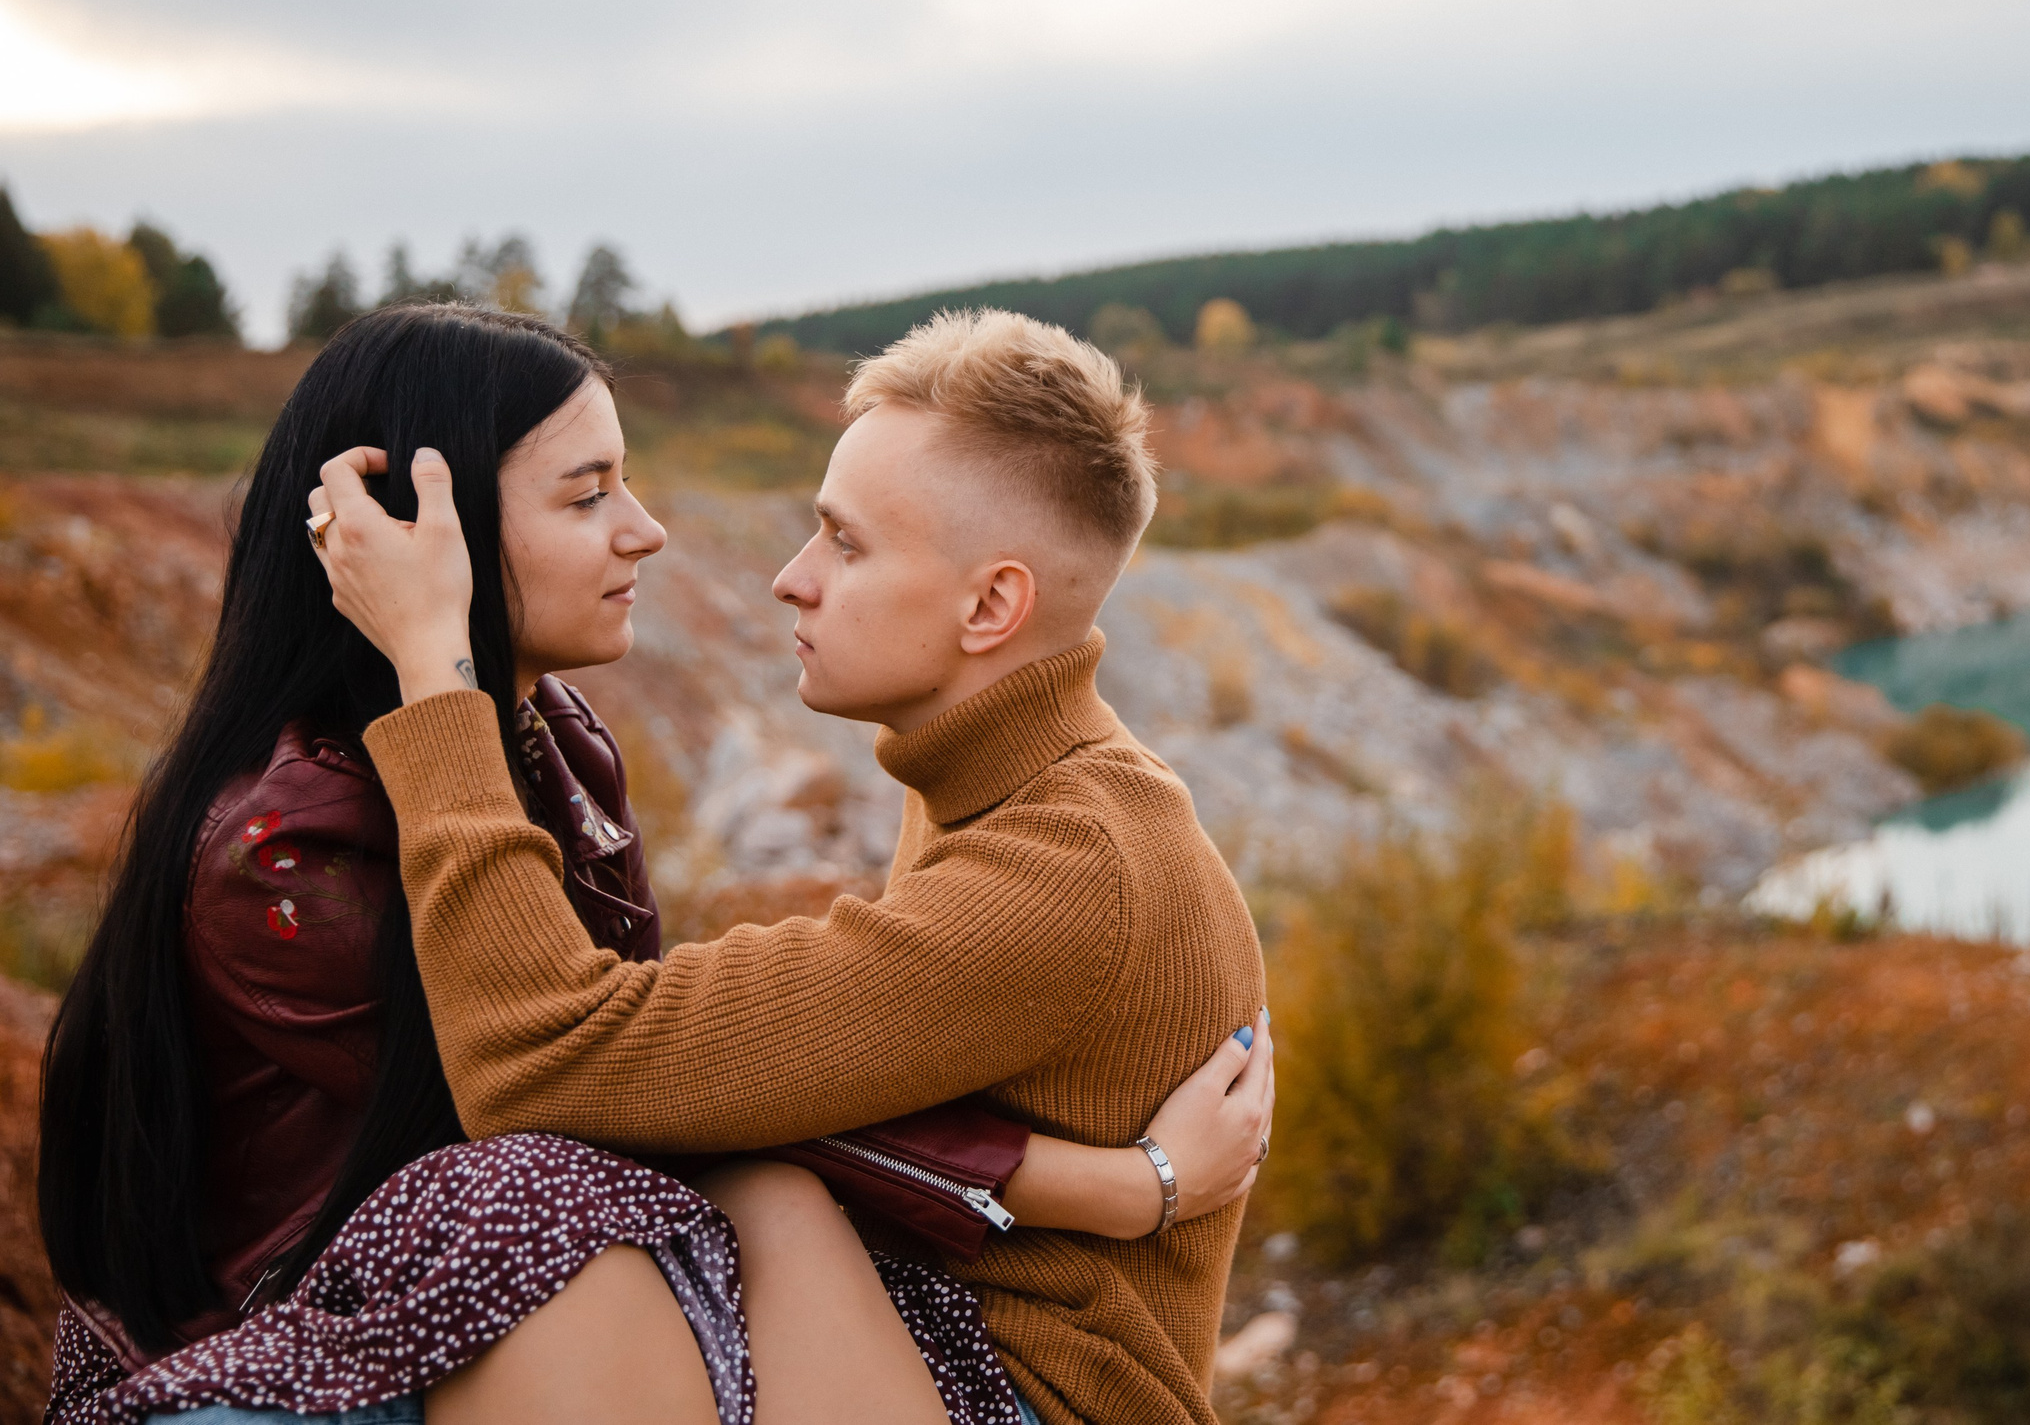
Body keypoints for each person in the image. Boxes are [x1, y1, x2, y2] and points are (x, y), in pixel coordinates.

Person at [36, 303, 1271, 1425]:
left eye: (843, 543)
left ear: (990, 609)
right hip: (889, 1324)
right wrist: (1106, 1186)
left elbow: (588, 1073)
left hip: (1020, 1390)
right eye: (588, 498)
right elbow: (646, 1089)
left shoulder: (1067, 864)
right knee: (621, 1203)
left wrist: (434, 671)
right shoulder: (295, 846)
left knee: (599, 1199)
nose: (786, 576)